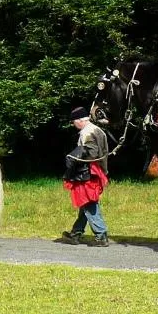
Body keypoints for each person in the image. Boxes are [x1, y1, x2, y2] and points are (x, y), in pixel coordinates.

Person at [61, 106, 110, 247]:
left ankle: (101, 235)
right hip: (97, 171)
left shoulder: (87, 133)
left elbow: (91, 153)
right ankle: (75, 233)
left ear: (79, 120)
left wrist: (74, 157)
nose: (73, 124)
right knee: (86, 202)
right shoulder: (98, 130)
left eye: (73, 121)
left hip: (88, 173)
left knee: (88, 203)